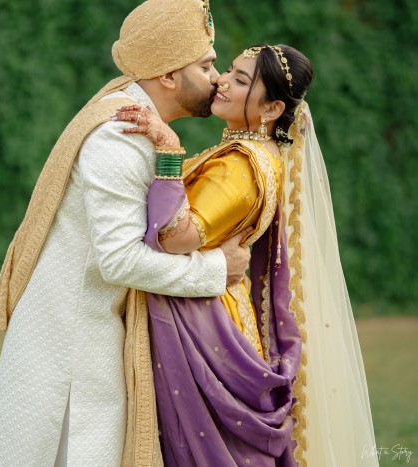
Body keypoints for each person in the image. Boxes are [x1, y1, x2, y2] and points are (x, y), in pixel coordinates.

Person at [0, 1, 252, 466]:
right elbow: (118, 261)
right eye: (206, 66)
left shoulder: (134, 122)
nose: (218, 78)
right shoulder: (120, 136)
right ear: (168, 75)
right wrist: (216, 269)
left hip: (79, 337)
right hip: (71, 353)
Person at [114, 44, 379, 466]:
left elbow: (175, 237)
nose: (221, 81)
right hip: (213, 310)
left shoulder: (242, 164)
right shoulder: (259, 155)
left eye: (240, 80)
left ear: (272, 108)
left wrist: (168, 149)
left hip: (204, 323)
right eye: (228, 70)